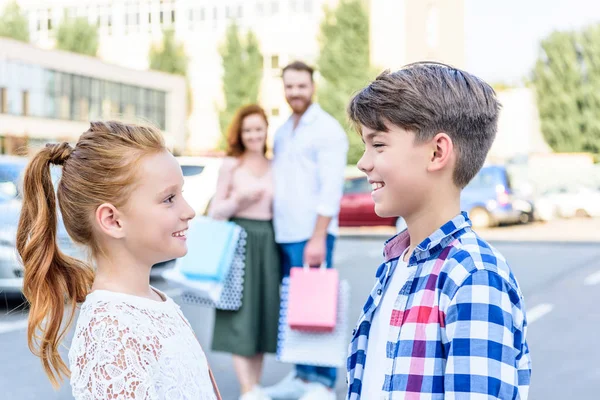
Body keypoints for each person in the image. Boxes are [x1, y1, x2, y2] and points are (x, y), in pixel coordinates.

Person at [345, 62, 532, 399]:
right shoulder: (395, 265)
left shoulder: (473, 276)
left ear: (436, 152)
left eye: (379, 145)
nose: (363, 162)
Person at [16, 121, 220, 400]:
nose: (189, 211)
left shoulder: (152, 300)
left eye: (181, 194)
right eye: (169, 198)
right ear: (112, 220)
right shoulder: (113, 333)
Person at [263, 61, 349, 400]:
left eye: (301, 86)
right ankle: (301, 375)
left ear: (312, 87)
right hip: (285, 232)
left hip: (312, 234)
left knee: (318, 306)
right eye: (289, 87)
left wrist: (317, 236)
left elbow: (331, 189)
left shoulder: (326, 130)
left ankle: (323, 382)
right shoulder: (284, 130)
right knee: (297, 309)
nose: (295, 92)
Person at [208, 104, 281, 400]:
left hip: (268, 241)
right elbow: (215, 213)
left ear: (265, 131)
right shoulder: (231, 166)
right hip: (239, 242)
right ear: (240, 133)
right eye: (248, 129)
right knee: (240, 313)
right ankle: (247, 388)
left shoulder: (275, 166)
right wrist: (240, 199)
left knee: (263, 311)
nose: (253, 134)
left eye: (258, 129)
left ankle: (256, 386)